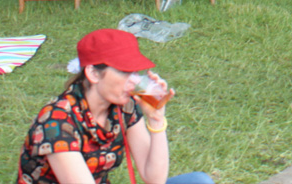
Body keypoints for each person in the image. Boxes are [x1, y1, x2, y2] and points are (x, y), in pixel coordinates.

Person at [17, 29, 214, 184]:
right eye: (124, 72)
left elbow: (154, 179)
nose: (134, 81)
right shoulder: (57, 122)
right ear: (93, 74)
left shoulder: (124, 105)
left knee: (199, 181)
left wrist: (156, 120)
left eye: (135, 72)